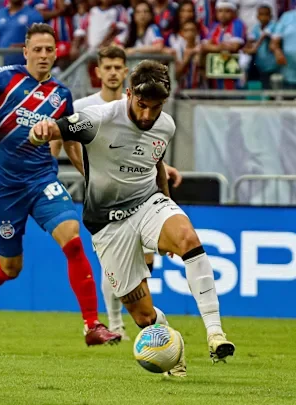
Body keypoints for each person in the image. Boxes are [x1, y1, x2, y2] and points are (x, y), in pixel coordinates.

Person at [29, 60, 236, 369]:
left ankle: (215, 334)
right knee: (143, 316)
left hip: (147, 203)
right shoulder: (98, 119)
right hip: (107, 225)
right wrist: (38, 131)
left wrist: (168, 211)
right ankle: (173, 351)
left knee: (187, 236)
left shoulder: (166, 125)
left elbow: (157, 166)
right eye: (142, 105)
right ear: (128, 94)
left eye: (156, 107)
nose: (148, 115)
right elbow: (54, 130)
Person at [0, 23, 122, 346]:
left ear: (56, 53)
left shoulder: (61, 95)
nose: (44, 55)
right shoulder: (4, 78)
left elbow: (69, 141)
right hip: (5, 186)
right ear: (25, 51)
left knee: (72, 237)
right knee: (11, 267)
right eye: (37, 49)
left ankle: (91, 325)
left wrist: (91, 175)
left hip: (42, 179)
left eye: (49, 50)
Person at [50, 46, 182, 341]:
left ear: (125, 73)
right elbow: (69, 141)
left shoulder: (143, 108)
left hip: (141, 196)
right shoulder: (87, 107)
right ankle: (115, 324)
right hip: (106, 198)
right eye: (106, 67)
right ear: (98, 72)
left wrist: (163, 170)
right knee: (115, 265)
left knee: (143, 266)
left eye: (117, 67)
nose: (111, 72)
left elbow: (143, 149)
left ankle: (138, 322)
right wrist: (87, 173)